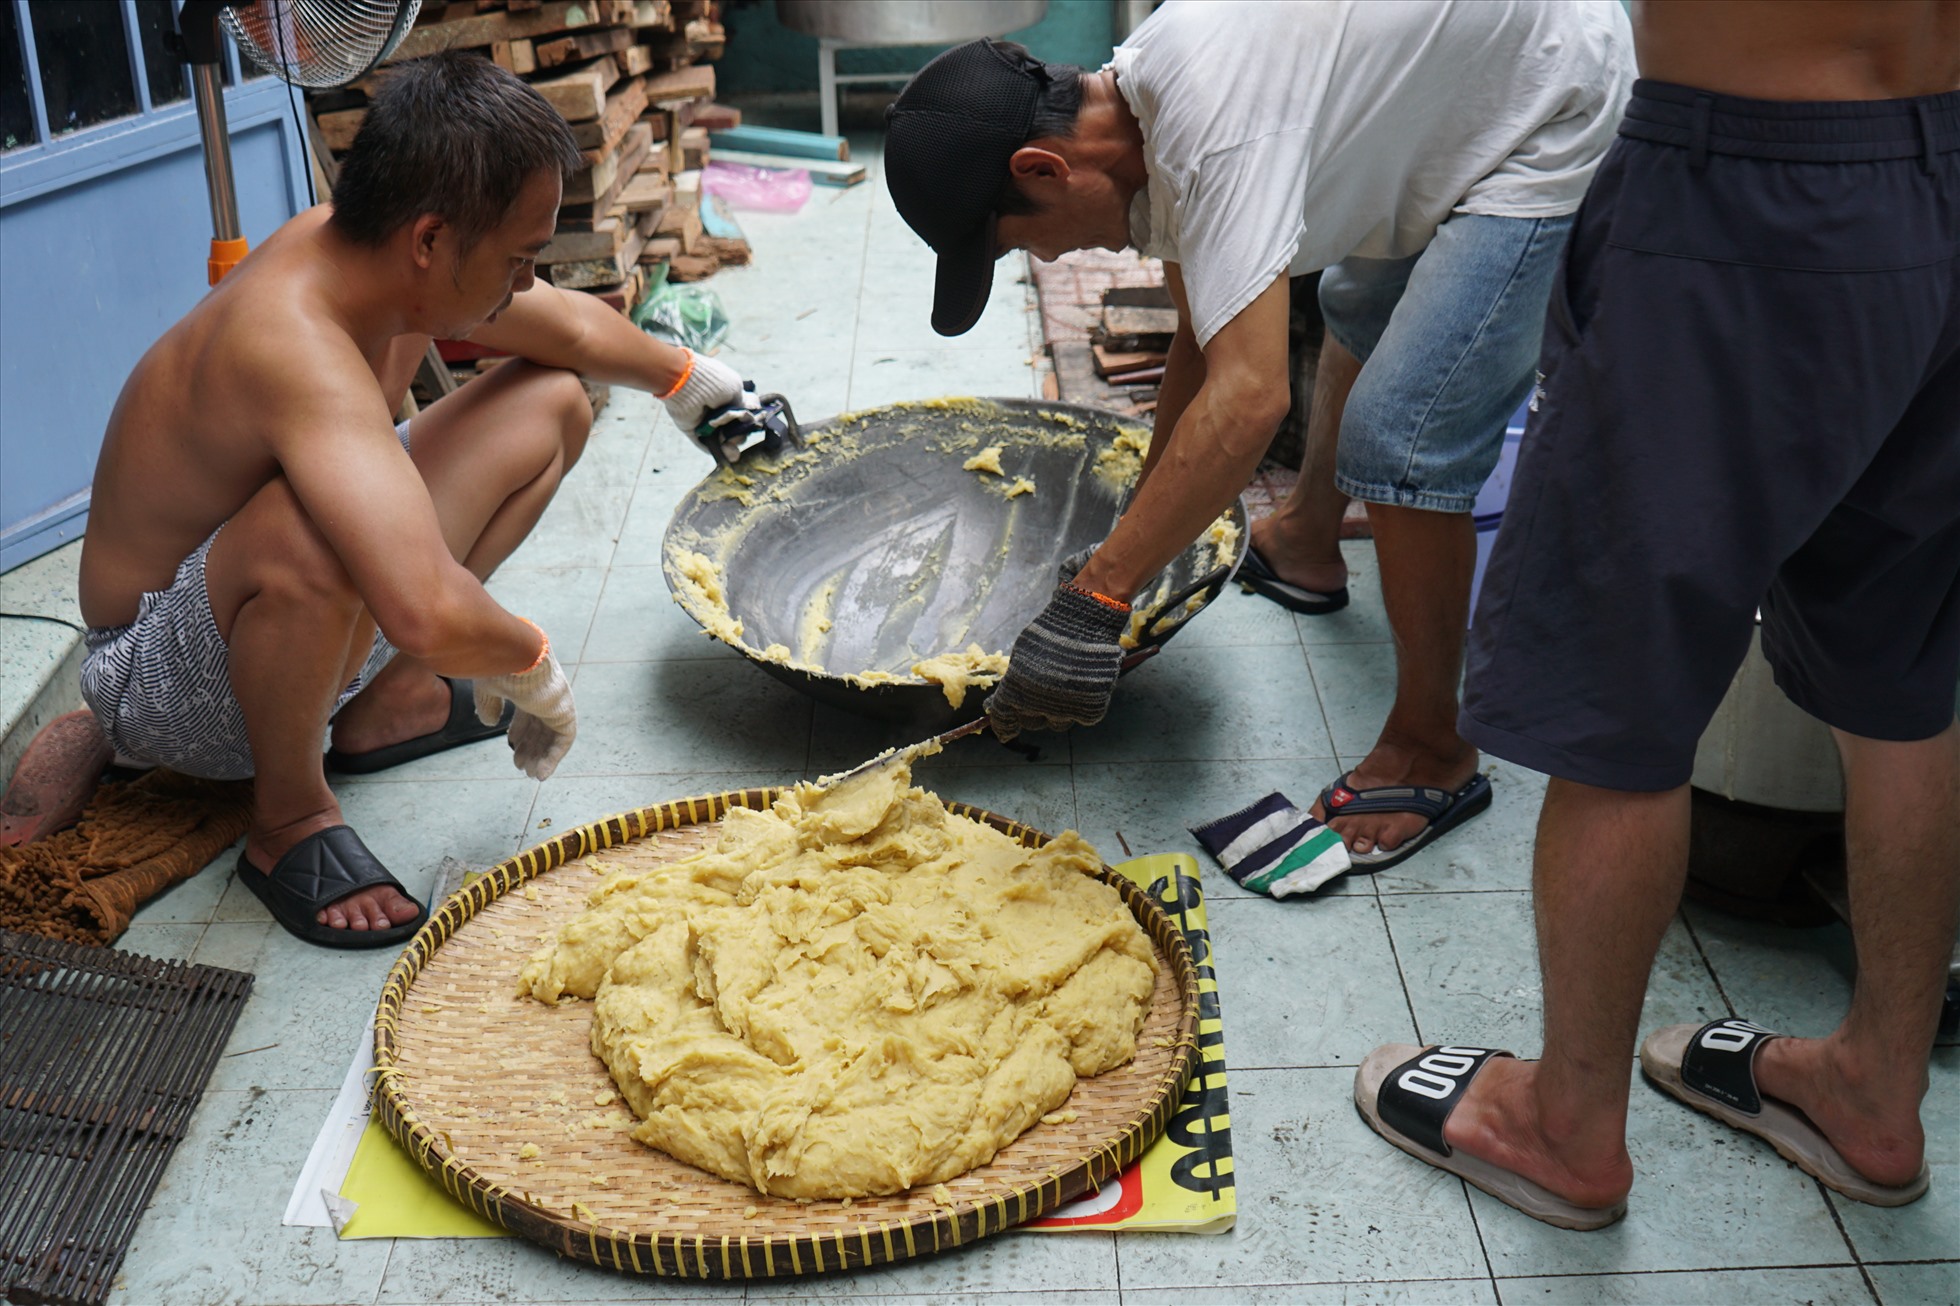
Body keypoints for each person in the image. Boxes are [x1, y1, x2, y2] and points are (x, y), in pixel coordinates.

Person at [1352, 0, 1960, 1229]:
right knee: (1903, 685)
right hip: (1943, 166)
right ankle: (1872, 1096)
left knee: (1614, 693)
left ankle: (1562, 1127)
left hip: (1747, 185)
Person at [881, 1, 1632, 871]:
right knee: (1355, 302)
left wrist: (1094, 603)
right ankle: (1309, 543)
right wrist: (1130, 550)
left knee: (1404, 440)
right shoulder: (1146, 112)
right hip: (1460, 81)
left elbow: (1247, 401)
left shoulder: (1215, 136)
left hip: (1548, 99)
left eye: (1023, 244)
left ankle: (1436, 749)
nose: (1046, 261)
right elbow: (1207, 341)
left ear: (1045, 168)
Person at [77, 53, 761, 949]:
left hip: (265, 611)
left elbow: (564, 326)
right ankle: (288, 818)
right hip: (161, 678)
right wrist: (533, 664)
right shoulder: (290, 339)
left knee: (551, 403)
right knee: (315, 538)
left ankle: (383, 701)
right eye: (517, 258)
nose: (524, 280)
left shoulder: (373, 255)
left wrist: (696, 386)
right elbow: (422, 602)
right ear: (432, 239)